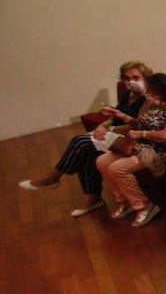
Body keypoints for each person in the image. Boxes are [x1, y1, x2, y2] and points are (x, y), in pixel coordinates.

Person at [19, 60, 151, 217]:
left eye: (135, 77)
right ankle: (94, 199)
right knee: (85, 154)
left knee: (80, 142)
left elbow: (139, 124)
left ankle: (52, 178)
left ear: (145, 77)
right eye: (126, 78)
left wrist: (110, 129)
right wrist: (102, 126)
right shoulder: (127, 95)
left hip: (127, 137)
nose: (130, 82)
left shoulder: (148, 98)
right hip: (113, 132)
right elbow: (114, 117)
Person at [95, 73, 166, 227]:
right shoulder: (154, 105)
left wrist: (142, 134)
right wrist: (121, 115)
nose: (146, 93)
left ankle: (143, 205)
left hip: (159, 152)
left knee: (117, 169)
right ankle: (124, 200)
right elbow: (140, 123)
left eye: (149, 91)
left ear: (158, 93)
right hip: (140, 146)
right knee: (102, 161)